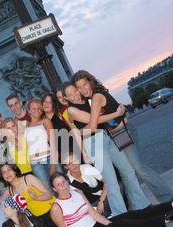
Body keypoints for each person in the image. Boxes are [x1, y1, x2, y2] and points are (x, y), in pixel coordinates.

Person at [71, 70, 173, 203]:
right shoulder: (92, 99)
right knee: (129, 172)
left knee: (140, 168)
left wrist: (76, 132)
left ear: (91, 82)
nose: (83, 89)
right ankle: (140, 206)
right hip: (117, 135)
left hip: (123, 132)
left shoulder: (97, 97)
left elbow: (93, 125)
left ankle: (168, 198)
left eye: (85, 84)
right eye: (79, 87)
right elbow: (99, 120)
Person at [63, 81, 150, 215]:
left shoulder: (88, 100)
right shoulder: (71, 109)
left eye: (75, 90)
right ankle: (122, 216)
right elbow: (94, 120)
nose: (75, 95)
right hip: (93, 142)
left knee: (128, 172)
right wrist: (117, 113)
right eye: (70, 95)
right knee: (111, 182)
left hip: (107, 137)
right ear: (66, 99)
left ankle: (141, 206)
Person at [49, 172, 173, 227]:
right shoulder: (56, 207)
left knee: (129, 215)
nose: (63, 186)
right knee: (122, 225)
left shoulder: (77, 193)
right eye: (58, 185)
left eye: (63, 182)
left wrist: (110, 223)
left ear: (67, 182)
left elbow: (94, 214)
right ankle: (165, 219)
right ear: (54, 189)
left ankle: (171, 204)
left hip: (97, 226)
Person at [0, 163, 57, 227]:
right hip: (39, 219)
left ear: (14, 171)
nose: (7, 174)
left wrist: (36, 197)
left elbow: (49, 195)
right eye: (4, 172)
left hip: (52, 210)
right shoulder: (9, 191)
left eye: (9, 170)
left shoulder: (28, 179)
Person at [25, 98, 60, 192]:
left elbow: (52, 142)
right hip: (36, 164)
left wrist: (54, 163)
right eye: (34, 108)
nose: (37, 110)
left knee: (62, 185)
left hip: (49, 158)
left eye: (39, 108)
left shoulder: (45, 121)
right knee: (49, 191)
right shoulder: (25, 126)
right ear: (29, 111)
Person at [62, 152, 110, 216]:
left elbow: (107, 181)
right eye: (70, 164)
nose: (74, 165)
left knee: (118, 188)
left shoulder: (87, 168)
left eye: (75, 161)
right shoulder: (67, 182)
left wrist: (101, 201)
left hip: (102, 197)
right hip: (88, 207)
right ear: (66, 167)